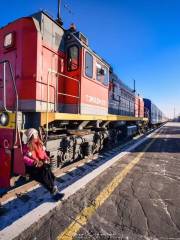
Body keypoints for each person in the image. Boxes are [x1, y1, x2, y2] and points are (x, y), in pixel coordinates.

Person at [23, 128, 64, 201]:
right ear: (31, 135)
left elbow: (43, 153)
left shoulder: (39, 143)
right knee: (45, 172)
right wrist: (34, 162)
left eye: (36, 133)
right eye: (35, 134)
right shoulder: (27, 146)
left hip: (40, 164)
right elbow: (24, 158)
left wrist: (46, 158)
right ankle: (54, 191)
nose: (37, 135)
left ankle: (54, 190)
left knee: (47, 170)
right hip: (32, 167)